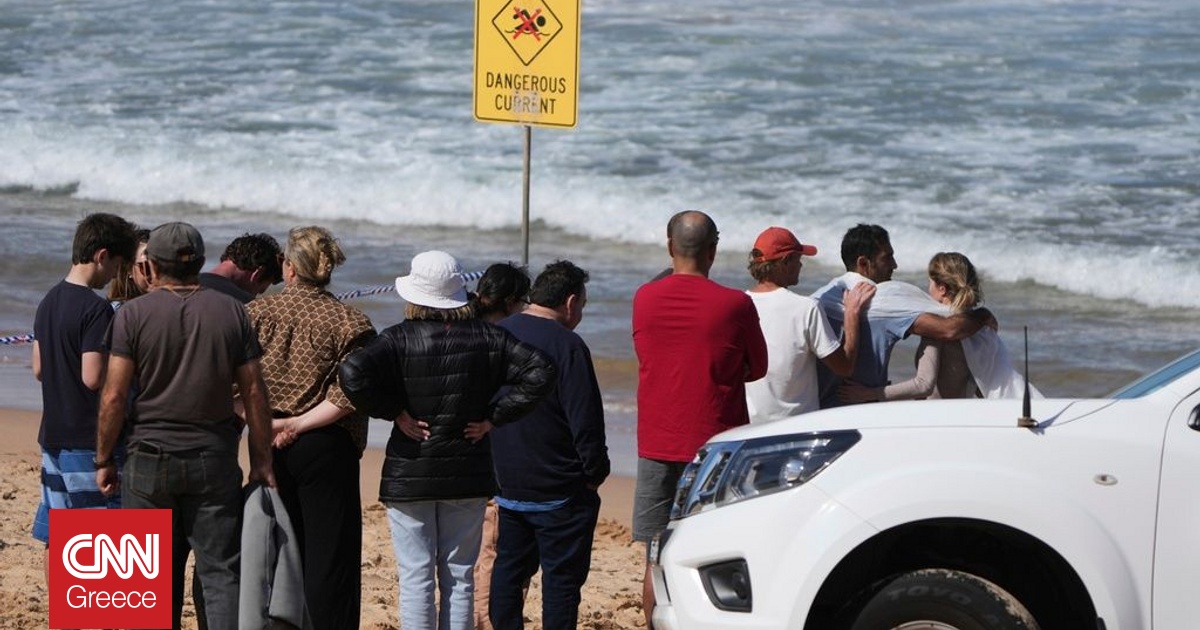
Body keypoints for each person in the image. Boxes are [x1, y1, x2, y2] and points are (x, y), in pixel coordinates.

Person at [339, 250, 556, 630]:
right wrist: (493, 418)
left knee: (416, 577)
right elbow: (540, 372)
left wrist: (394, 411)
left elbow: (352, 372)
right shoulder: (490, 337)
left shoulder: (397, 339)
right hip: (467, 467)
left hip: (410, 468)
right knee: (459, 577)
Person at [94, 221, 276, 629]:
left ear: (151, 267)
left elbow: (113, 396)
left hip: (148, 458)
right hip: (213, 457)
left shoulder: (133, 314)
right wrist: (262, 460)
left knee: (149, 578)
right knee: (220, 573)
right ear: (201, 262)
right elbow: (254, 394)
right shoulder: (231, 311)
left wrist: (103, 457)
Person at [631, 210, 768, 627]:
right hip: (715, 446)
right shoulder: (735, 304)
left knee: (656, 552)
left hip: (656, 442)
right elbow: (757, 367)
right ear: (713, 250)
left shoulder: (644, 298)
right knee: (714, 549)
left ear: (670, 247)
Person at [246, 226, 377, 628]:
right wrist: (299, 423)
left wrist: (268, 422)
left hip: (265, 440)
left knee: (270, 553)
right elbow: (350, 394)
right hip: (327, 445)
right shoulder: (351, 322)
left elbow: (226, 380)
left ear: (288, 268)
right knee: (330, 563)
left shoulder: (254, 313)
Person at [490, 260, 609, 630]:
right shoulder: (569, 345)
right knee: (561, 582)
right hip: (559, 487)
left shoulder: (498, 334)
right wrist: (594, 471)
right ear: (570, 302)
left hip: (506, 480)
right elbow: (585, 420)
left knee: (508, 571)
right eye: (583, 305)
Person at [30, 212, 136, 582]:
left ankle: (64, 615)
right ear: (102, 255)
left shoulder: (49, 300)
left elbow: (39, 368)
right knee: (104, 538)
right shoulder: (95, 308)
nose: (115, 276)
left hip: (53, 435)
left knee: (60, 534)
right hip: (87, 438)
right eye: (118, 265)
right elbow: (92, 377)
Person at [812, 224, 995, 409]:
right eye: (887, 257)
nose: (894, 265)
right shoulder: (884, 300)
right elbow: (949, 329)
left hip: (814, 407)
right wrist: (983, 315)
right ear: (863, 263)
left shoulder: (820, 298)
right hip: (858, 411)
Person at [840, 251, 1039, 402]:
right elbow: (981, 385)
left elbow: (923, 385)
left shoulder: (940, 329)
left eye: (930, 283)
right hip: (961, 411)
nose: (927, 289)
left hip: (937, 416)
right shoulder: (978, 327)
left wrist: (869, 394)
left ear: (942, 289)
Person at [744, 227, 875, 422]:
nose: (801, 265)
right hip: (797, 427)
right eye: (798, 259)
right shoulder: (805, 308)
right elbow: (844, 367)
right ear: (785, 262)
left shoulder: (740, 305)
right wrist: (851, 315)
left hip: (751, 427)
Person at [468, 261, 532, 630]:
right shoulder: (501, 342)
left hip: (455, 455)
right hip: (491, 459)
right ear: (509, 302)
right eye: (522, 300)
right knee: (492, 547)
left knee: (464, 552)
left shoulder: (460, 327)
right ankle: (485, 622)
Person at [199, 232, 284, 302]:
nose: (259, 293)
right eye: (261, 290)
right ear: (257, 274)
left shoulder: (188, 284)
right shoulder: (244, 306)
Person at [107, 228, 151, 307]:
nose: (156, 274)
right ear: (129, 269)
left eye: (161, 267)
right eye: (147, 267)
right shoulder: (118, 311)